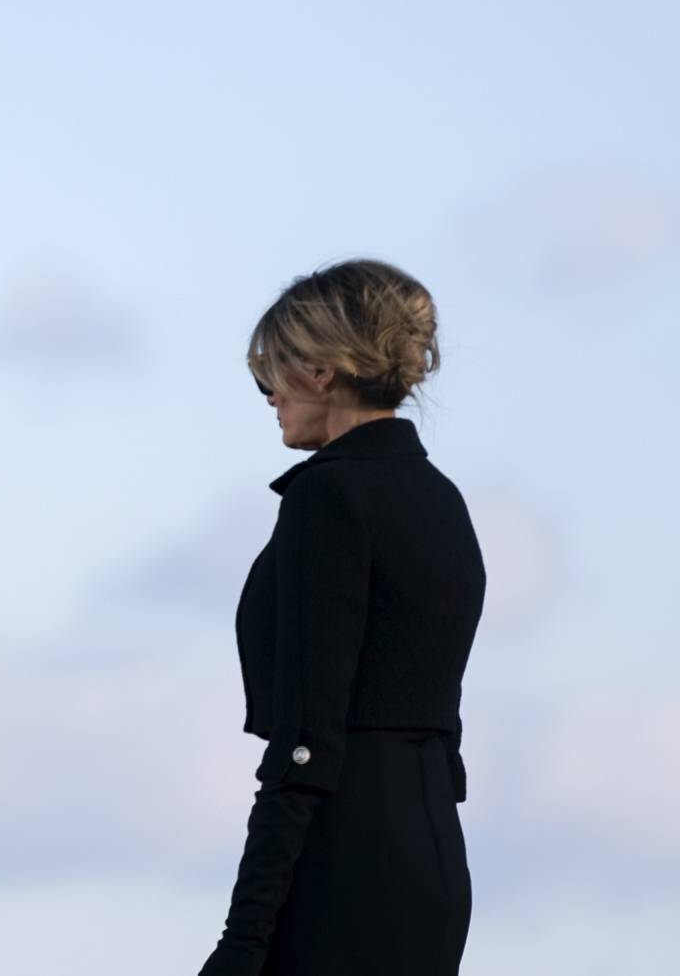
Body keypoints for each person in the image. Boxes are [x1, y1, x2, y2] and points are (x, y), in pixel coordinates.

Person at [198, 260, 486, 976]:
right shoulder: (441, 499)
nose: (268, 396)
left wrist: (243, 940)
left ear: (322, 371)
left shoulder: (327, 501)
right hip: (433, 861)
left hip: (343, 862)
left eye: (272, 373)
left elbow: (306, 743)